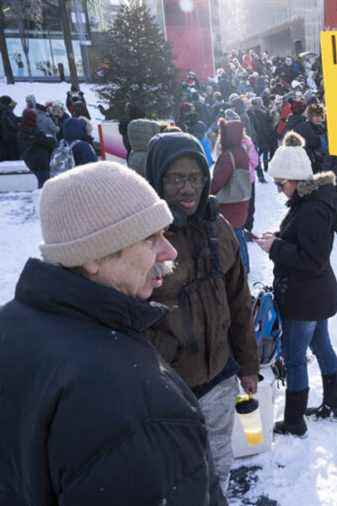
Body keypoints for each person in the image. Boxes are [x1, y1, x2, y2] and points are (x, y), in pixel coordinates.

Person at [0, 162, 226, 505]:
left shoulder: (13, 324)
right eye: (151, 238)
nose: (170, 251)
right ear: (93, 257)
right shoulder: (137, 403)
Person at [144, 132, 259, 494]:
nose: (187, 188)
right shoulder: (143, 239)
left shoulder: (218, 227)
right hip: (168, 389)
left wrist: (249, 365)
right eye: (176, 178)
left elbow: (239, 300)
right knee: (176, 474)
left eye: (194, 177)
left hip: (219, 378)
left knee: (218, 461)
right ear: (157, 180)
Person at [253, 132, 337, 436]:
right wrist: (279, 239)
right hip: (315, 294)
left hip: (306, 297)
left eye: (281, 184)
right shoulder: (310, 201)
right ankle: (333, 404)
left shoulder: (312, 208)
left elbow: (312, 258)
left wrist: (274, 248)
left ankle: (294, 420)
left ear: (295, 179)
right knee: (321, 346)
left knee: (294, 359)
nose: (279, 190)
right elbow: (307, 245)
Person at [210, 118, 252, 274]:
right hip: (240, 202)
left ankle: (241, 269)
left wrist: (207, 191)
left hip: (228, 205)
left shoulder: (228, 156)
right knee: (239, 235)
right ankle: (245, 266)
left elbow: (218, 183)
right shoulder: (241, 151)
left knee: (233, 238)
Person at [17, 109, 55, 188]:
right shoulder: (34, 131)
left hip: (29, 161)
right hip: (40, 162)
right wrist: (52, 140)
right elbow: (47, 142)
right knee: (44, 184)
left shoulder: (21, 130)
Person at [292, 102, 326, 172]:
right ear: (310, 116)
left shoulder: (321, 128)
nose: (318, 118)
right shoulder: (304, 128)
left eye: (319, 115)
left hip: (320, 164)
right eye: (315, 115)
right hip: (308, 165)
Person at [0, 95, 20, 161]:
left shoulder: (6, 111)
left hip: (6, 139)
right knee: (12, 158)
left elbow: (14, 119)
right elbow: (12, 125)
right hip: (9, 139)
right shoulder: (6, 112)